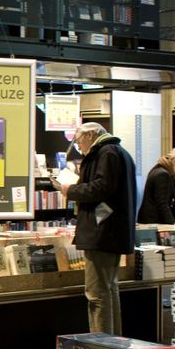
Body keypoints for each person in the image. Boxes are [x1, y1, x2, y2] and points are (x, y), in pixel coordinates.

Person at [53, 122, 136, 335]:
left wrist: (70, 190)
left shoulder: (106, 153)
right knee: (108, 289)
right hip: (109, 230)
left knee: (97, 293)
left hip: (102, 231)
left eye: (79, 141)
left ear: (90, 135)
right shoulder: (117, 152)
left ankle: (102, 347)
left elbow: (101, 188)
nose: (79, 147)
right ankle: (113, 343)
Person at [138, 149, 175, 224]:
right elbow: (162, 203)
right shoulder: (162, 174)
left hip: (154, 219)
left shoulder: (164, 171)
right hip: (153, 220)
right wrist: (171, 224)